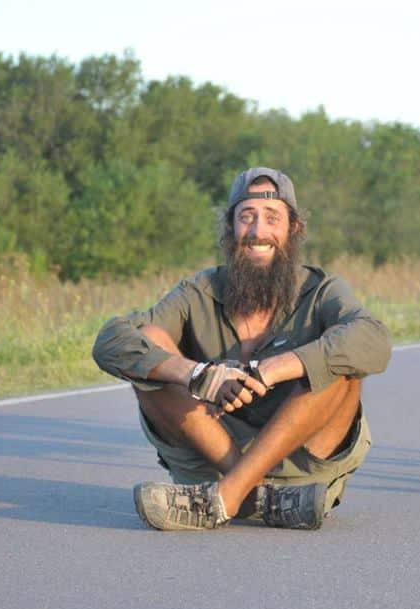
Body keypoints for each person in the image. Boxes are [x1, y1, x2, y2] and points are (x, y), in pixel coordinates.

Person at [92, 167, 392, 531]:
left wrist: (272, 369)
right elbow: (111, 341)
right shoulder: (198, 290)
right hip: (211, 457)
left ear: (294, 228)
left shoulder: (323, 290)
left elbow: (374, 339)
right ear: (230, 228)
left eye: (272, 218)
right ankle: (252, 496)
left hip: (300, 467)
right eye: (246, 217)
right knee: (149, 345)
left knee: (344, 358)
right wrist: (197, 375)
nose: (257, 232)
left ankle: (226, 496)